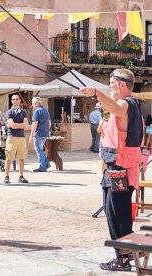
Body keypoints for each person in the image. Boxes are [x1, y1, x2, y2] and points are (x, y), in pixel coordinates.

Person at [80, 68, 143, 272]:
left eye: (111, 83)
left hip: (120, 169)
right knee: (114, 212)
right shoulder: (130, 106)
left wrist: (96, 93)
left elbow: (116, 109)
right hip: (118, 168)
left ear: (122, 85)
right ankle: (126, 254)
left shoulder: (126, 103)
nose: (109, 86)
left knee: (117, 214)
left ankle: (124, 257)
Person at [4, 94, 29, 184]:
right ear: (11, 101)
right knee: (9, 157)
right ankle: (6, 176)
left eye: (16, 99)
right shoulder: (9, 112)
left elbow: (26, 125)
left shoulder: (24, 112)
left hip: (21, 138)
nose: (15, 101)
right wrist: (21, 125)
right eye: (13, 99)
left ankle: (21, 176)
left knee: (22, 158)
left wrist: (17, 125)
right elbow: (12, 125)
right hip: (12, 137)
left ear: (19, 101)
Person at [29, 97, 50, 172]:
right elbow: (49, 123)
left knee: (39, 150)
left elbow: (34, 124)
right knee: (40, 149)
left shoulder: (36, 111)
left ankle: (43, 167)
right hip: (45, 132)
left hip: (38, 133)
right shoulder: (46, 111)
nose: (32, 105)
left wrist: (31, 136)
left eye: (32, 103)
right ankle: (46, 164)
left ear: (35, 103)